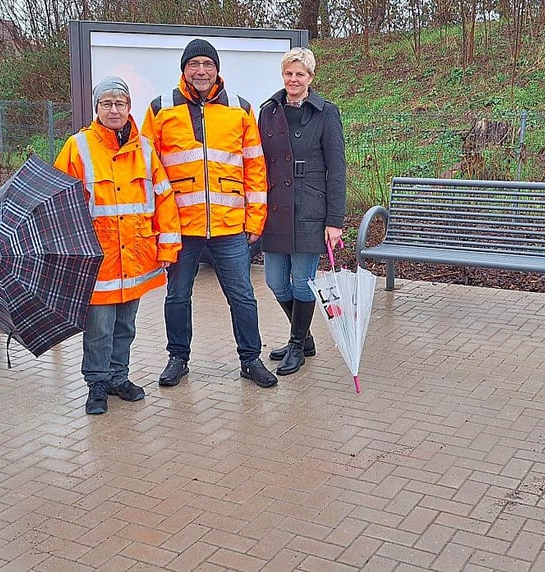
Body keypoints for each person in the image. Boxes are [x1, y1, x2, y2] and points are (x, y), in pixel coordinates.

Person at [142, 38, 278, 389]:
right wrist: (156, 224)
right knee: (177, 296)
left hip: (229, 226)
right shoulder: (160, 109)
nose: (201, 71)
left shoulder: (240, 108)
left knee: (243, 296)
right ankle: (178, 358)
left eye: (208, 64)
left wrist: (255, 219)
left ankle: (250, 359)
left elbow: (255, 169)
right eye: (194, 64)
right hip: (180, 227)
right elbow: (147, 171)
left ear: (217, 70)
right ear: (184, 69)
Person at [54, 76, 182, 415]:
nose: (114, 110)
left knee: (125, 326)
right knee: (99, 328)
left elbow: (164, 199)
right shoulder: (78, 147)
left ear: (129, 107)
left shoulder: (145, 150)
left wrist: (168, 247)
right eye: (107, 103)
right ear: (96, 108)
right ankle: (97, 384)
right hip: (99, 260)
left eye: (120, 103)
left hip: (136, 257)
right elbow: (60, 204)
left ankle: (118, 377)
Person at [257, 47, 346, 376]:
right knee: (275, 281)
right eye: (288, 73)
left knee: (301, 283)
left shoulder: (326, 112)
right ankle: (304, 338)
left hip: (309, 207)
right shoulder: (268, 111)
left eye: (300, 74)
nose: (293, 79)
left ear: (310, 77)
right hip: (275, 207)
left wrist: (334, 221)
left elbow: (337, 170)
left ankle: (297, 345)